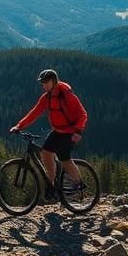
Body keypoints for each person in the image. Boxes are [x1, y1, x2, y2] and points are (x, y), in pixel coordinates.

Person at [10, 68, 88, 201]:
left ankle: (79, 186)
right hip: (57, 131)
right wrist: (19, 126)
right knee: (46, 153)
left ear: (54, 81)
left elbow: (82, 114)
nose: (43, 85)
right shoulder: (47, 97)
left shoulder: (66, 95)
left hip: (70, 132)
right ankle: (51, 185)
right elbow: (34, 112)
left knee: (65, 161)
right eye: (42, 82)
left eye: (46, 82)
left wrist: (78, 131)